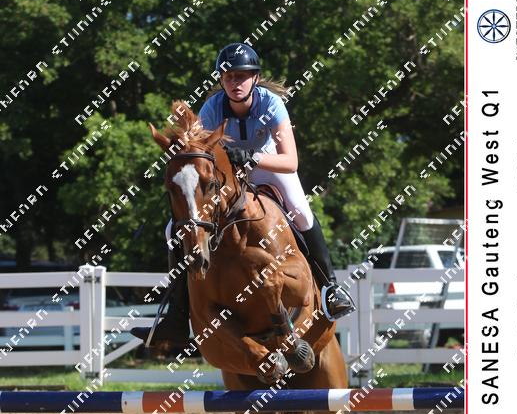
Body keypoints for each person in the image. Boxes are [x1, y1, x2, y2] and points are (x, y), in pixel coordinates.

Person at [132, 42, 355, 347]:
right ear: (221, 80)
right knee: (174, 229)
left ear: (255, 78)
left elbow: (291, 161)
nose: (235, 82)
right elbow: (200, 154)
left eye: (242, 76)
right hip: (229, 175)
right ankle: (176, 315)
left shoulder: (271, 104)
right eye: (228, 77)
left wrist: (251, 157)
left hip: (269, 166)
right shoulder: (213, 108)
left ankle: (331, 287)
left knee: (300, 211)